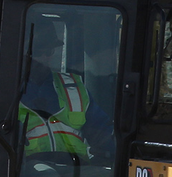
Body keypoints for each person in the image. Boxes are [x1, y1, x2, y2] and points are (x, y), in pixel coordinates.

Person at [18, 27, 111, 159]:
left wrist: (113, 155)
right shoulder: (4, 91)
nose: (45, 57)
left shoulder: (73, 87)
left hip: (76, 172)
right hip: (25, 175)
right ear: (22, 52)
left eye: (49, 51)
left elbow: (102, 135)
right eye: (38, 52)